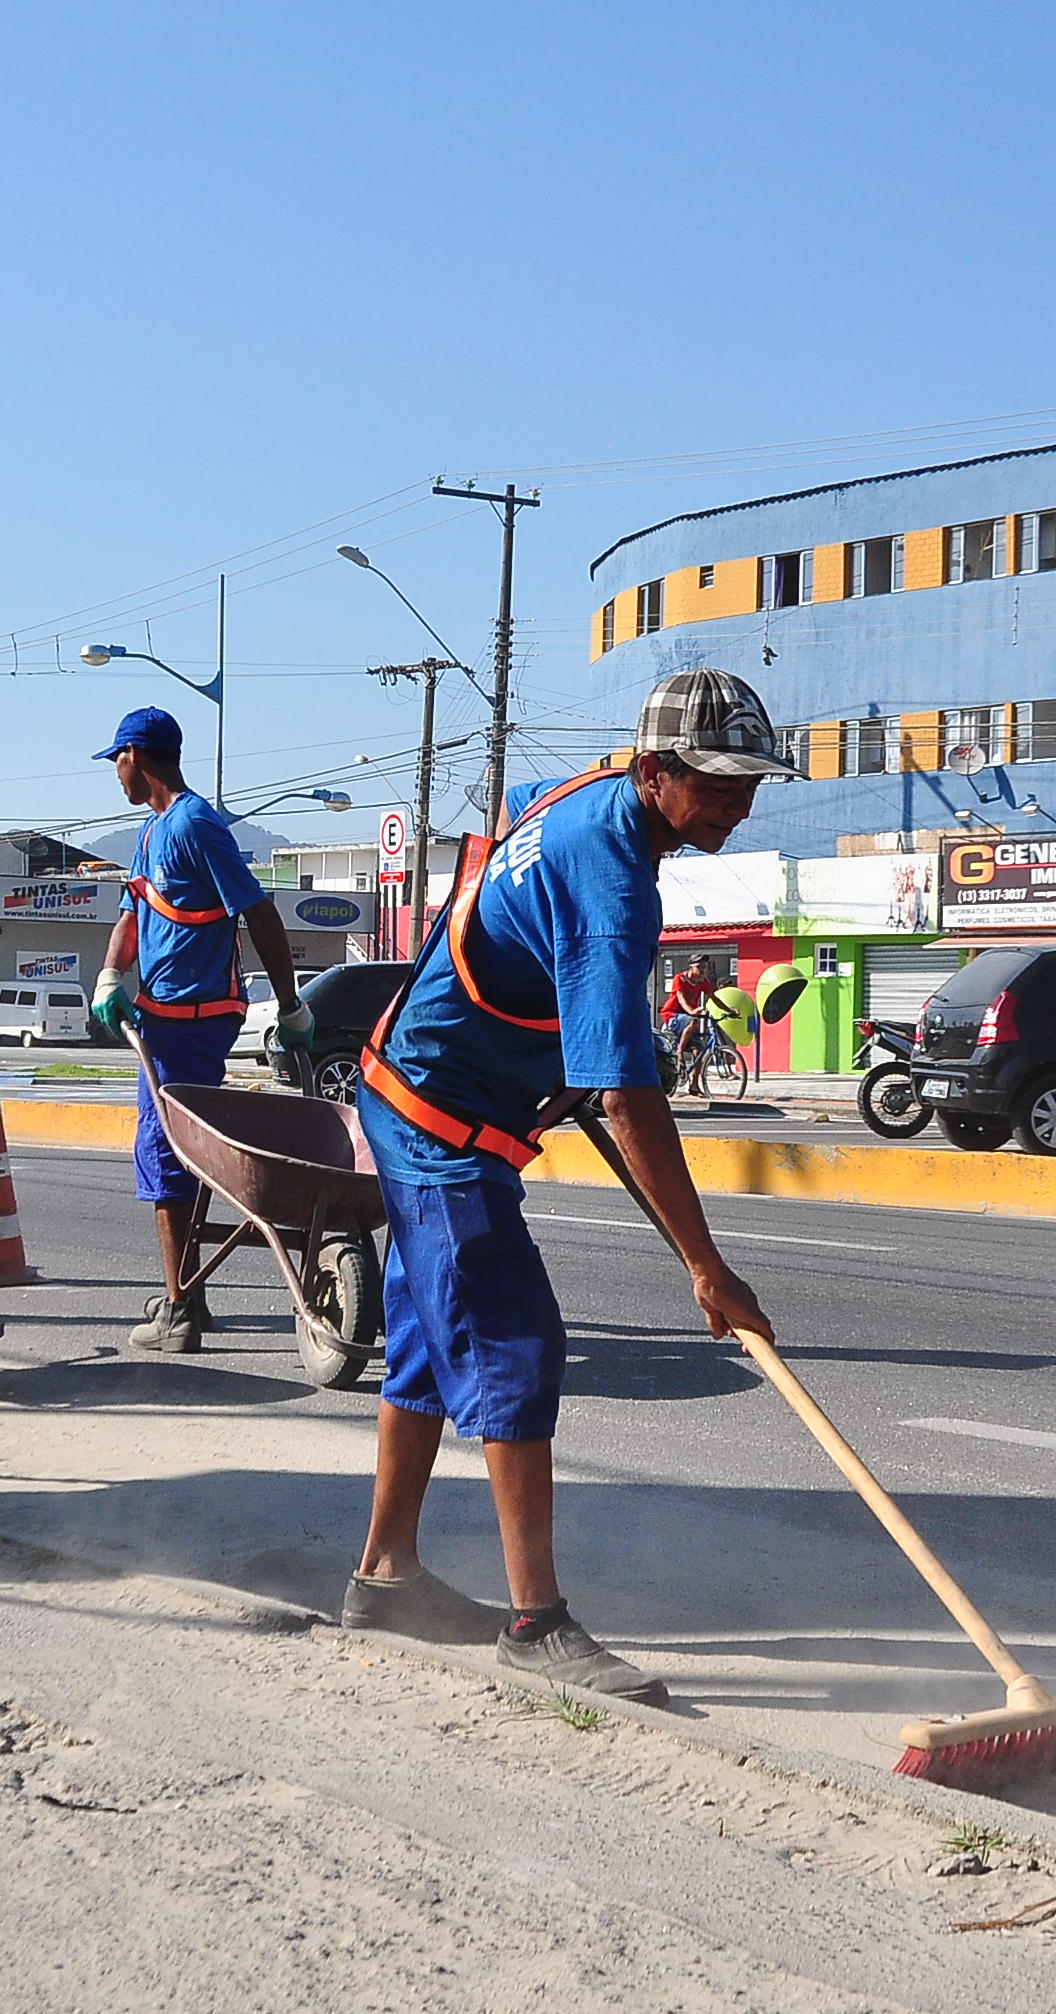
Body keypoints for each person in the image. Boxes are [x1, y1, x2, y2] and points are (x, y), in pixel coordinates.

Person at [342, 669, 794, 1699]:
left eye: (749, 784)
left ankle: (384, 1574)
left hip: (427, 1097)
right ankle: (536, 1621)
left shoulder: (590, 799)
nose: (737, 804)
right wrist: (706, 1267)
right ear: (654, 772)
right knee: (515, 1338)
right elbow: (629, 1095)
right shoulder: (615, 884)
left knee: (422, 1341)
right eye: (717, 785)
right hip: (436, 1124)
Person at [85, 706, 312, 1353]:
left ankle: (179, 1310)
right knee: (172, 1154)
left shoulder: (195, 824)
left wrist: (291, 1004)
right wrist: (110, 975)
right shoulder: (153, 831)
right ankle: (188, 1295)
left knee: (166, 1154)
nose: (115, 774)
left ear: (134, 755)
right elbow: (133, 913)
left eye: (116, 762)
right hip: (160, 1018)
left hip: (194, 1018)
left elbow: (259, 912)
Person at [659, 957, 717, 1093]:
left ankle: (694, 1085)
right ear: (692, 967)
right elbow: (681, 998)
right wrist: (691, 1011)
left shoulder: (703, 982)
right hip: (672, 1017)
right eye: (700, 967)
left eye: (705, 967)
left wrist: (729, 1010)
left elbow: (714, 998)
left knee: (699, 1050)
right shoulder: (680, 979)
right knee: (692, 1021)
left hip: (688, 1021)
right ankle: (680, 1051)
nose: (703, 971)